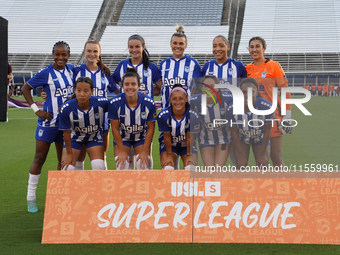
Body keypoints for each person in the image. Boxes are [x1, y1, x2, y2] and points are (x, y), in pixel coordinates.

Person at [21, 41, 74, 213]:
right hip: (48, 123)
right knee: (40, 158)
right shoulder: (45, 73)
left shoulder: (71, 70)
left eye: (64, 54)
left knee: (63, 161)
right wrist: (37, 110)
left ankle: (58, 198)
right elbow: (25, 88)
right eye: (57, 54)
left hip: (65, 124)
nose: (60, 57)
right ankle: (31, 198)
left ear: (68, 55)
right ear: (53, 54)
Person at [112, 34, 161, 169]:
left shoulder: (151, 67)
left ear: (143, 47)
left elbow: (161, 87)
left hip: (144, 116)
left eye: (137, 47)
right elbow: (112, 81)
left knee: (144, 163)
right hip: (124, 115)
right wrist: (120, 93)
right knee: (125, 164)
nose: (134, 49)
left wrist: (148, 94)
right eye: (131, 47)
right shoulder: (122, 65)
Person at [73, 38, 119, 170]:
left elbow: (117, 91)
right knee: (80, 156)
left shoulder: (105, 72)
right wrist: (44, 92)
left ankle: (102, 185)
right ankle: (79, 187)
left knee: (102, 155)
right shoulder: (76, 71)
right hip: (81, 119)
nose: (92, 54)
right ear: (84, 52)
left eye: (95, 51)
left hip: (102, 119)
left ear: (99, 53)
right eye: (89, 51)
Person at [246, 36, 292, 168]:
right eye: (252, 47)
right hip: (254, 120)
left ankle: (283, 187)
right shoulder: (247, 69)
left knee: (276, 157)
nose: (254, 50)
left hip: (273, 118)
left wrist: (287, 115)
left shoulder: (273, 66)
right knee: (261, 160)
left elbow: (285, 91)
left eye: (257, 46)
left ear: (264, 48)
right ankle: (264, 188)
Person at [109, 68, 156, 170]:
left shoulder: (149, 103)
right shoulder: (114, 103)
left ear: (139, 86)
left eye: (133, 84)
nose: (130, 87)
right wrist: (121, 151)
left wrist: (145, 151)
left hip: (141, 138)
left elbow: (151, 128)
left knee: (142, 165)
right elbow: (115, 129)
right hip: (122, 138)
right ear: (122, 86)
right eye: (126, 84)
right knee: (122, 167)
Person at [59, 77, 108, 171]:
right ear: (75, 91)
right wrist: (69, 154)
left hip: (94, 138)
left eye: (86, 91)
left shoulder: (102, 103)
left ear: (92, 91)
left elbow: (118, 103)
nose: (82, 94)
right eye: (78, 90)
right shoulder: (66, 108)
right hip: (74, 139)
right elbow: (66, 132)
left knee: (99, 167)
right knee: (67, 168)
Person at [227, 78, 274, 169]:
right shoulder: (232, 108)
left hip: (259, 138)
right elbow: (234, 133)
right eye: (243, 92)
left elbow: (268, 131)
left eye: (251, 92)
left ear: (257, 93)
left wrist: (262, 154)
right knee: (240, 166)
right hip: (242, 139)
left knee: (263, 167)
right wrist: (240, 155)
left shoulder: (266, 107)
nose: (247, 95)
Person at [191, 75, 233, 168]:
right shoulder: (194, 101)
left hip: (224, 139)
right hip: (205, 140)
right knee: (210, 170)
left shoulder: (228, 99)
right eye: (205, 86)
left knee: (218, 169)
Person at [158, 25, 202, 109]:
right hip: (167, 110)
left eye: (181, 43)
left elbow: (198, 89)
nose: (177, 46)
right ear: (170, 44)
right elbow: (161, 87)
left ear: (186, 45)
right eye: (175, 43)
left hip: (187, 111)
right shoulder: (164, 64)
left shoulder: (193, 63)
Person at [157, 84, 200, 170]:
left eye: (181, 98)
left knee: (190, 167)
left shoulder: (193, 115)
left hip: (187, 145)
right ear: (170, 99)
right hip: (169, 145)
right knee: (168, 168)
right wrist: (169, 154)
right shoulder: (163, 116)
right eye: (174, 99)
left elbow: (189, 137)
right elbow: (167, 136)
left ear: (186, 99)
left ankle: (187, 183)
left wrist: (189, 154)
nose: (177, 102)